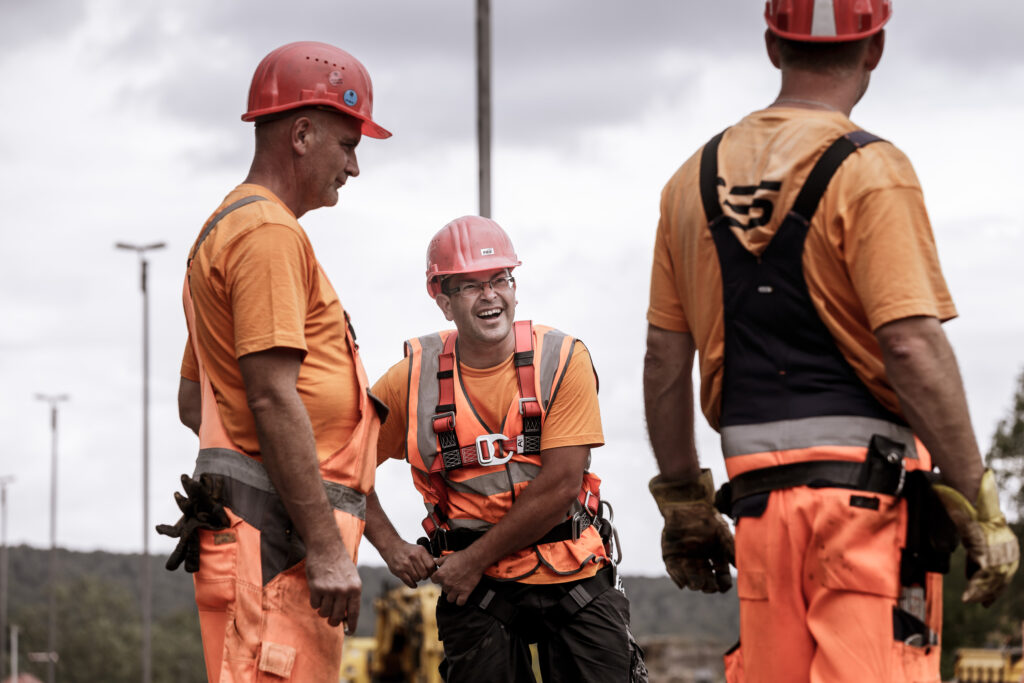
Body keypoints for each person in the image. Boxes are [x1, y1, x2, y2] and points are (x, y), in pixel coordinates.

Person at [643, 2, 1019, 682]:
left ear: (771, 46)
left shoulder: (687, 186)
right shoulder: (872, 171)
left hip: (757, 510)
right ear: (874, 47)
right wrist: (979, 500)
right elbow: (910, 345)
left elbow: (664, 359)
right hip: (866, 514)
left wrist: (685, 501)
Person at [161, 41, 391, 682]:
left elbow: (194, 402)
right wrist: (322, 545)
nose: (353, 166)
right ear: (302, 133)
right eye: (348, 145)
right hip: (279, 553)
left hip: (255, 544)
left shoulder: (226, 229)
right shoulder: (268, 235)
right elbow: (270, 397)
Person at [364, 215, 647, 682]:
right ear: (443, 298)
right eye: (471, 285)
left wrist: (471, 562)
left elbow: (560, 485)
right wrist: (391, 547)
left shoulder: (562, 359)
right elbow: (338, 466)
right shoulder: (411, 383)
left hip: (569, 570)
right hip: (478, 591)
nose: (491, 294)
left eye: (500, 279)